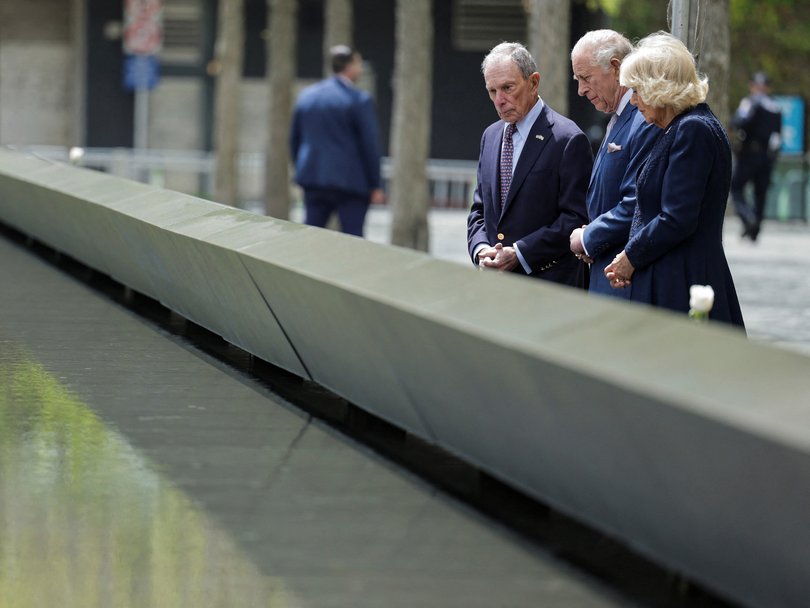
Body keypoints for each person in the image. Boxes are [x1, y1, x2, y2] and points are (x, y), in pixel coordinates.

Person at [602, 32, 745, 328]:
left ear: (660, 87)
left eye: (638, 91)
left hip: (682, 283)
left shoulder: (693, 130)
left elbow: (677, 216)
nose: (635, 101)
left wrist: (630, 257)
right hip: (673, 278)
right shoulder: (680, 128)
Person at [467, 42, 592, 288]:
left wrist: (520, 253)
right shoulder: (490, 136)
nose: (499, 100)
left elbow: (576, 218)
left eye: (507, 88)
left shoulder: (568, 139)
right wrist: (481, 250)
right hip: (496, 285)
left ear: (533, 83)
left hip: (550, 285)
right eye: (492, 91)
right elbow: (479, 210)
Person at [568, 30, 660, 298]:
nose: (581, 90)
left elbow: (638, 202)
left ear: (616, 67)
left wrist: (588, 238)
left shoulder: (644, 117)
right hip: (608, 272)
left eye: (586, 78)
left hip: (625, 279)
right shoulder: (620, 117)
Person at [290, 45, 385, 237]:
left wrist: (301, 167)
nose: (360, 69)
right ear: (350, 66)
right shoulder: (359, 100)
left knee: (311, 236)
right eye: (358, 64)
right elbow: (370, 144)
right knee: (352, 240)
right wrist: (375, 184)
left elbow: (294, 139)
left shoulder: (307, 97)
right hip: (351, 183)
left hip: (313, 178)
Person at [730, 72, 782, 242]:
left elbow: (738, 122)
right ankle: (755, 229)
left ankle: (748, 218)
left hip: (749, 153)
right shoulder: (775, 107)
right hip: (766, 155)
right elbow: (777, 137)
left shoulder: (750, 103)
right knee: (761, 193)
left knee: (736, 187)